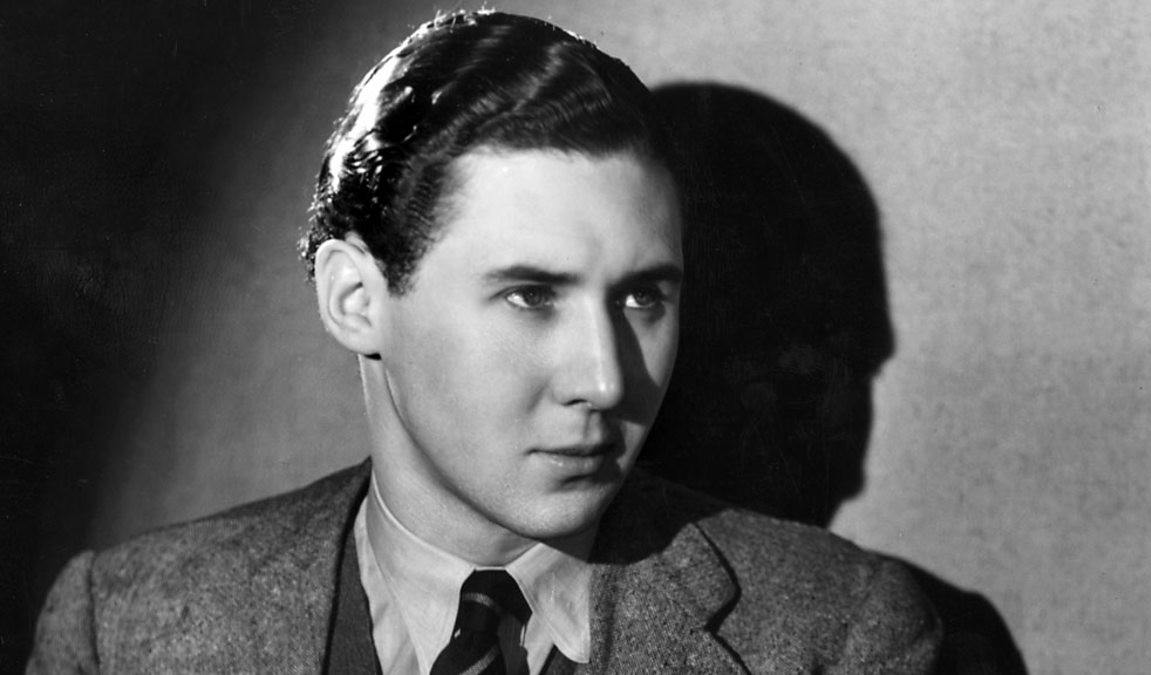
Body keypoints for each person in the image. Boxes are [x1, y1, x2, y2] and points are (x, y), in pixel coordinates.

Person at [27, 10, 940, 674]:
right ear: (355, 298)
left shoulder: (842, 638)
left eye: (642, 297)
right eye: (530, 294)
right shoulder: (123, 629)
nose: (604, 379)